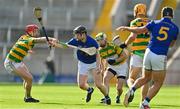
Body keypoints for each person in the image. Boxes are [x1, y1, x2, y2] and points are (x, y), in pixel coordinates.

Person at [117, 7, 179, 109]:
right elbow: (172, 44)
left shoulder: (154, 23)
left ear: (162, 14)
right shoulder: (175, 28)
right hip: (160, 55)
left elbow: (139, 30)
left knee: (146, 78)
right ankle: (145, 103)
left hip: (148, 52)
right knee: (158, 82)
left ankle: (132, 89)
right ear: (172, 15)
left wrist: (127, 28)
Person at [53, 25, 108, 103]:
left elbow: (97, 54)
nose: (76, 36)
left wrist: (98, 65)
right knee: (81, 85)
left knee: (98, 84)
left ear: (83, 34)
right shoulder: (75, 41)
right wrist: (55, 44)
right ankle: (89, 90)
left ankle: (107, 97)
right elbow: (66, 46)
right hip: (83, 63)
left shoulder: (92, 42)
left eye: (77, 34)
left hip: (94, 63)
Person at [4, 24, 58, 103]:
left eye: (37, 31)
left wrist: (28, 50)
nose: (37, 33)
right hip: (11, 62)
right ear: (30, 32)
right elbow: (38, 40)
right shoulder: (28, 39)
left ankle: (26, 96)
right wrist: (51, 39)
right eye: (35, 31)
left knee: (27, 79)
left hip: (18, 62)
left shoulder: (24, 38)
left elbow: (20, 44)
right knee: (29, 78)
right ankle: (28, 97)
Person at [117, 3, 150, 105]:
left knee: (131, 78)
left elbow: (133, 36)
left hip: (137, 53)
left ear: (135, 12)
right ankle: (143, 102)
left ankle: (131, 89)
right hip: (148, 53)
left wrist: (125, 44)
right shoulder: (150, 22)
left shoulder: (134, 22)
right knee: (146, 79)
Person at [95, 32, 128, 104]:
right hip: (112, 67)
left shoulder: (113, 46)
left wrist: (115, 60)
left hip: (121, 66)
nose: (99, 42)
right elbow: (101, 59)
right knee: (105, 78)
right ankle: (106, 97)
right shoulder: (100, 50)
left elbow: (124, 56)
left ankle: (118, 96)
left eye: (101, 40)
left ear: (105, 40)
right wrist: (102, 68)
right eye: (98, 41)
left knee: (119, 88)